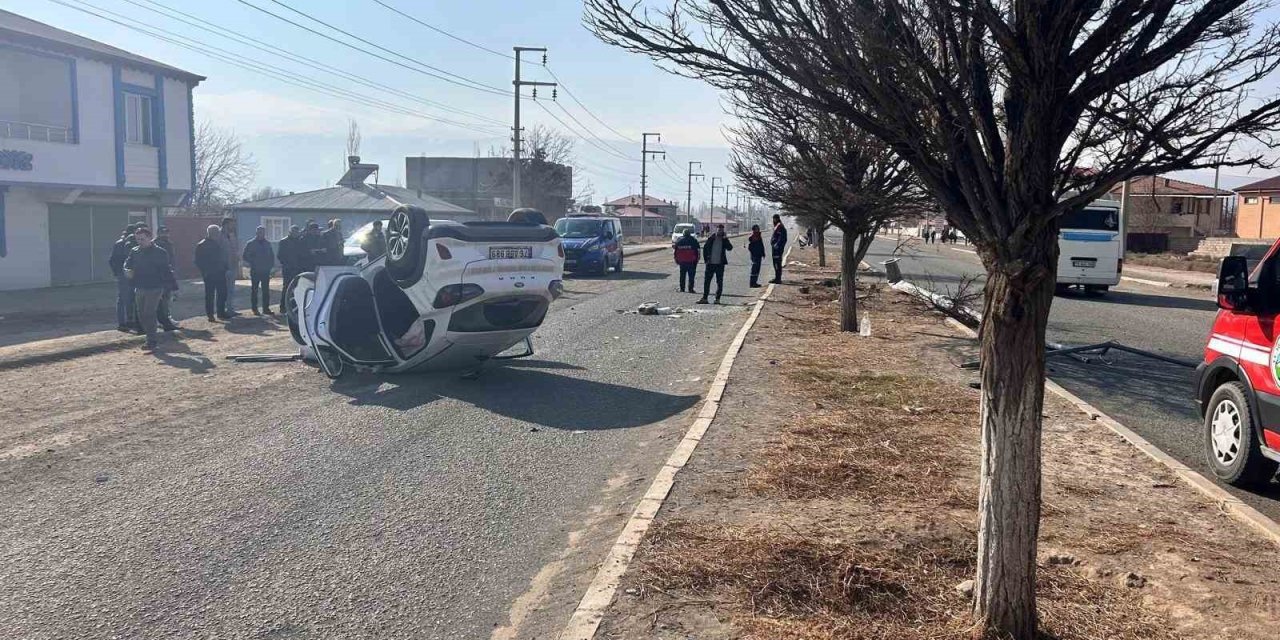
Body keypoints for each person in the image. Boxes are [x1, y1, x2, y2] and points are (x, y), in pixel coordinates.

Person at [123, 227, 175, 350]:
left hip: (155, 287)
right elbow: (128, 263)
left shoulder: (160, 252)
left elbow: (166, 270)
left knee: (149, 313)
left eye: (142, 239)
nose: (140, 241)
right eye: (138, 239)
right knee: (141, 315)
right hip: (139, 286)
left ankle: (152, 341)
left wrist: (171, 287)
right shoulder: (134, 251)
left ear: (150, 238)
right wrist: (126, 270)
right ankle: (151, 336)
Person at [109, 224, 140, 332]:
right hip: (126, 274)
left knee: (125, 299)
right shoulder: (127, 243)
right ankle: (126, 322)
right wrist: (119, 273)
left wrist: (117, 273)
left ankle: (125, 322)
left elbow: (112, 261)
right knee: (127, 299)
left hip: (124, 274)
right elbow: (114, 260)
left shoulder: (121, 243)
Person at [196, 224, 230, 321]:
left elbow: (221, 257)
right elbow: (198, 261)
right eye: (217, 233)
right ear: (213, 233)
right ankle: (210, 315)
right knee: (210, 295)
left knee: (222, 293)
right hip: (210, 274)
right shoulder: (202, 245)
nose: (219, 234)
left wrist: (225, 267)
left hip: (220, 272)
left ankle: (221, 312)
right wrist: (204, 272)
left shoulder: (217, 243)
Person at [242, 225, 276, 316]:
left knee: (266, 291)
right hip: (255, 270)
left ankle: (266, 308)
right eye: (260, 232)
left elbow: (271, 256)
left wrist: (271, 267)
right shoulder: (251, 243)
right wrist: (253, 261)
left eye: (263, 232)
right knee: (255, 290)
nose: (262, 234)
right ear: (256, 233)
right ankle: (255, 308)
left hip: (265, 270)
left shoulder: (267, 243)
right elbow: (245, 256)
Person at [153, 226, 180, 330]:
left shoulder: (169, 243)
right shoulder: (155, 244)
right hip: (160, 275)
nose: (165, 234)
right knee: (160, 299)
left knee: (167, 298)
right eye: (163, 233)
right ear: (158, 233)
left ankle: (167, 317)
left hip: (169, 273)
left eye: (167, 232)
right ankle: (161, 319)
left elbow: (172, 260)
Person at [698, 224, 733, 305]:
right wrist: (706, 260)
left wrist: (726, 239)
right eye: (718, 229)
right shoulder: (711, 238)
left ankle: (717, 299)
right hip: (710, 264)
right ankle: (705, 298)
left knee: (719, 282)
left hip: (720, 265)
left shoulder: (724, 240)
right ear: (716, 229)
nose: (720, 231)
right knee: (707, 282)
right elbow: (705, 249)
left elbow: (730, 248)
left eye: (721, 230)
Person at [276, 225, 303, 314]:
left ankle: (294, 307)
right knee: (286, 288)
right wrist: (287, 264)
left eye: (296, 232)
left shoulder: (299, 242)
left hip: (297, 268)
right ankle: (283, 307)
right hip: (288, 269)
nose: (295, 234)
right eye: (293, 232)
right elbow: (280, 255)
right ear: (290, 232)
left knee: (296, 288)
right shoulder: (284, 242)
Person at [220, 216, 240, 316]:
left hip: (232, 265)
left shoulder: (232, 235)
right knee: (223, 290)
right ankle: (222, 310)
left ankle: (230, 309)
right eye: (232, 224)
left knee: (231, 289)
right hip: (223, 267)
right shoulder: (219, 235)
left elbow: (235, 248)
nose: (233, 226)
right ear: (226, 224)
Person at [673, 227, 700, 293]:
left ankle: (682, 288)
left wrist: (676, 259)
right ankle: (690, 289)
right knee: (691, 276)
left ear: (683, 234)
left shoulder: (679, 240)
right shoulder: (693, 240)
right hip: (692, 261)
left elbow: (675, 251)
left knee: (682, 275)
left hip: (682, 261)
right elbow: (698, 250)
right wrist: (697, 259)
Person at [769, 214, 787, 284]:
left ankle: (778, 278)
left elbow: (782, 238)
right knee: (776, 263)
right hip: (775, 248)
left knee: (777, 263)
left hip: (777, 249)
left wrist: (777, 244)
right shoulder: (777, 226)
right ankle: (777, 277)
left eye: (774, 219)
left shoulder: (780, 226)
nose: (773, 220)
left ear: (776, 219)